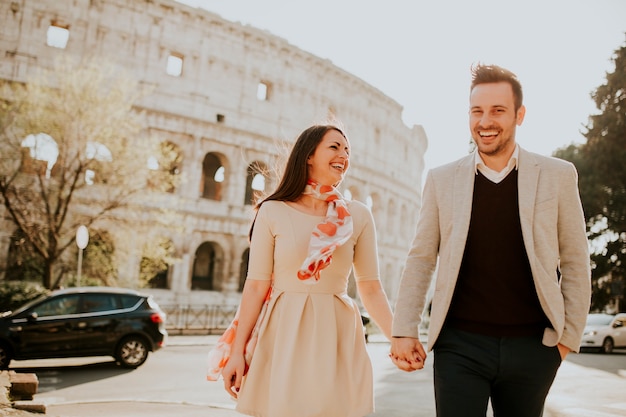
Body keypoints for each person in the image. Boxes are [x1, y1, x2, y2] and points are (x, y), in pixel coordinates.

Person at [389, 64, 591, 417]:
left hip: (533, 348)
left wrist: (566, 340)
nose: (486, 121)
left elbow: (575, 259)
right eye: (477, 111)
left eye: (498, 111)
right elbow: (421, 257)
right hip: (459, 347)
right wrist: (404, 329)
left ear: (519, 115)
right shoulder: (441, 180)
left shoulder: (558, 175)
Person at [221, 123, 394, 417]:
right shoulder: (272, 210)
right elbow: (255, 286)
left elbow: (371, 287)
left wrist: (398, 339)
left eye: (347, 150)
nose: (344, 154)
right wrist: (236, 352)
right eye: (335, 146)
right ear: (309, 155)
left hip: (337, 332)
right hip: (283, 330)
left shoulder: (358, 215)